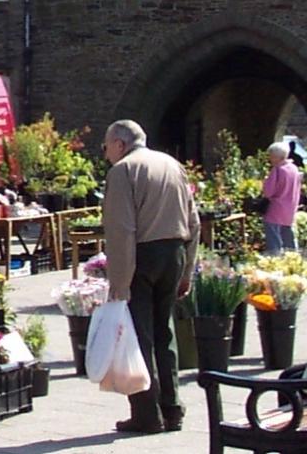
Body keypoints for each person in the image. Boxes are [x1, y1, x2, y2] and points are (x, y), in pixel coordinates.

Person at [101, 120, 200, 435]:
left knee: (138, 335)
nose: (105, 154)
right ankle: (172, 408)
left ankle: (146, 413)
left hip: (141, 256)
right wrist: (187, 271)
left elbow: (121, 229)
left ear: (119, 143)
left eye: (105, 147)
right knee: (164, 332)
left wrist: (119, 281)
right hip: (174, 252)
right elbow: (194, 222)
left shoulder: (123, 171)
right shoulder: (172, 165)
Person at [260, 142, 302, 254]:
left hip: (276, 208)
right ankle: (294, 261)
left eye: (271, 156)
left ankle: (275, 261)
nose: (270, 159)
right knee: (289, 237)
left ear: (278, 157)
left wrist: (265, 181)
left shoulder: (278, 170)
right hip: (290, 207)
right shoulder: (294, 168)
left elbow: (268, 192)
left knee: (274, 240)